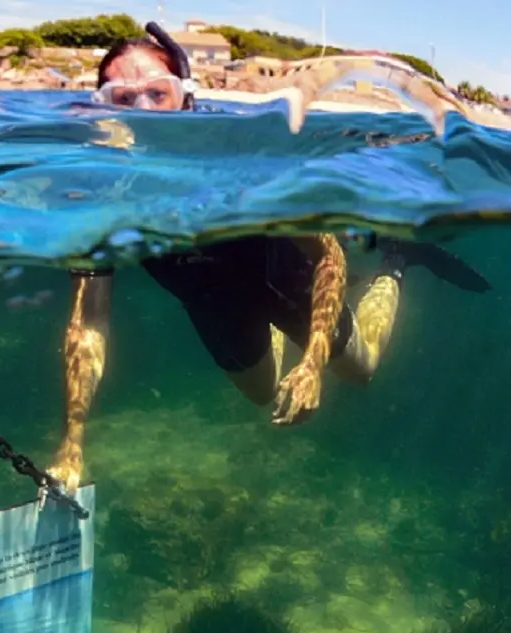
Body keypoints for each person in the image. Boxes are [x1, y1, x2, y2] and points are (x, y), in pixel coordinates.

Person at [43, 24, 492, 496]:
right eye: (122, 98)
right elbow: (87, 323)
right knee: (261, 395)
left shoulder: (244, 159)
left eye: (159, 93)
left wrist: (314, 364)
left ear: (187, 97)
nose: (145, 113)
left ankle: (398, 259)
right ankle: (279, 333)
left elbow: (329, 257)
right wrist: (71, 445)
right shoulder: (98, 194)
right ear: (101, 108)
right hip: (211, 302)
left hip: (290, 279)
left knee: (360, 371)